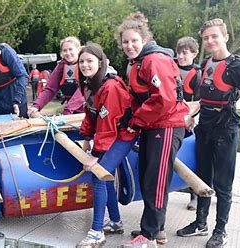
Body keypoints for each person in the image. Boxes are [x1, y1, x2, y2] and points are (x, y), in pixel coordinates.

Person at [176, 18, 240, 248]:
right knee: (203, 178)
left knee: (223, 183)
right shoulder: (204, 64)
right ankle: (200, 223)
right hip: (204, 127)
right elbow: (202, 99)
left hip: (226, 129)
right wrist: (190, 117)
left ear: (225, 36)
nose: (210, 40)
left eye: (214, 36)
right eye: (206, 38)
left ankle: (220, 230)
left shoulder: (238, 65)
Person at [116, 12, 189, 248]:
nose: (129, 46)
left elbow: (165, 100)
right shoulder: (137, 63)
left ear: (145, 39)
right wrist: (129, 115)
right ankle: (156, 229)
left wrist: (136, 119)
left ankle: (147, 236)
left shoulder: (153, 60)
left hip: (166, 125)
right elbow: (139, 96)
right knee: (149, 178)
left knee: (156, 180)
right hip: (153, 125)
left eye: (134, 41)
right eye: (125, 42)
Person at [76, 42, 137, 247]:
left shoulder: (110, 87)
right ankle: (116, 222)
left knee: (99, 174)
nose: (85, 65)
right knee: (106, 175)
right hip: (109, 133)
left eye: (90, 61)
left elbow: (108, 125)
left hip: (123, 135)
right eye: (82, 61)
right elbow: (90, 115)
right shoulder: (88, 84)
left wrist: (96, 154)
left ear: (100, 62)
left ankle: (96, 232)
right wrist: (85, 138)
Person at [175, 36, 201, 211]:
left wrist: (191, 118)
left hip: (192, 117)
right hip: (175, 116)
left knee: (194, 154)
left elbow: (199, 100)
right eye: (179, 53)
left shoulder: (197, 74)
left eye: (185, 53)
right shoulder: (171, 68)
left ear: (194, 54)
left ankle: (194, 194)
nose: (182, 56)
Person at [28, 36, 84, 117]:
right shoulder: (61, 66)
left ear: (78, 50)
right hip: (71, 111)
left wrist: (68, 110)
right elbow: (50, 89)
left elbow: (84, 90)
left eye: (70, 49)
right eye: (65, 50)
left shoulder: (85, 65)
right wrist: (36, 105)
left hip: (87, 109)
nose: (68, 53)